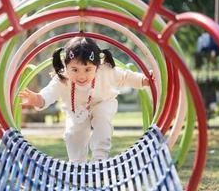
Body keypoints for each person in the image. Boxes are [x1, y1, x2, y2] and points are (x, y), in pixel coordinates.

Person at [18, 37, 153, 162]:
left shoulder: (105, 70)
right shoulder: (62, 78)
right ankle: (77, 164)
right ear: (66, 66)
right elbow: (48, 94)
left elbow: (125, 77)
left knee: (102, 120)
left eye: (88, 69)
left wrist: (143, 80)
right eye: (75, 70)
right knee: (73, 134)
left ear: (97, 65)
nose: (81, 76)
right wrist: (37, 99)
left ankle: (99, 159)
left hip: (103, 102)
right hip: (75, 110)